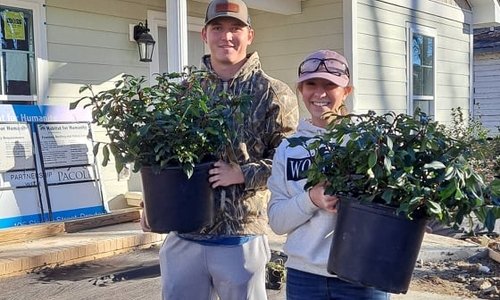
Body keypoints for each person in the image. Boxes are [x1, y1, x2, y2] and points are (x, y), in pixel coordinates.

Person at [141, 0, 299, 299]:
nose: (226, 36)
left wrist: (243, 173)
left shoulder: (273, 93)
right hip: (184, 235)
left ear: (249, 35)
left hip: (240, 236)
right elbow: (158, 156)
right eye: (218, 28)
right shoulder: (185, 91)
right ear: (204, 34)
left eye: (235, 28)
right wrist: (150, 205)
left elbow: (287, 162)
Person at [267, 49, 390, 300]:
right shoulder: (288, 149)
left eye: (330, 85)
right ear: (300, 89)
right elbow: (277, 222)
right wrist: (311, 199)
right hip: (305, 279)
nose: (319, 93)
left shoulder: (369, 144)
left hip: (363, 277)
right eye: (311, 83)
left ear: (346, 91)